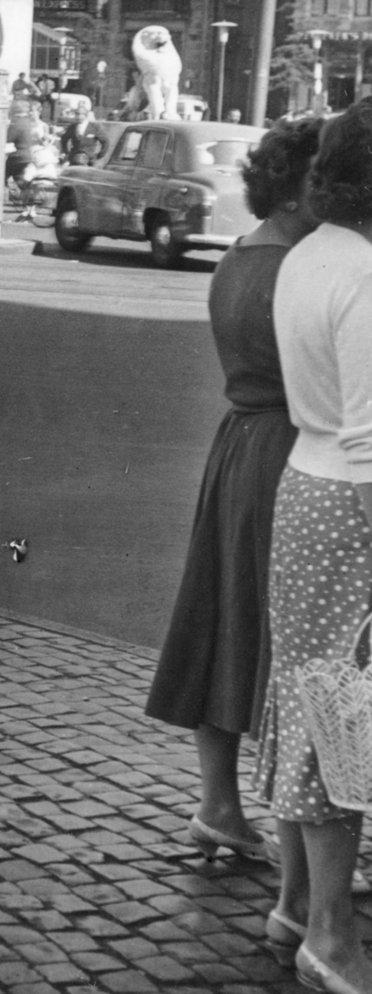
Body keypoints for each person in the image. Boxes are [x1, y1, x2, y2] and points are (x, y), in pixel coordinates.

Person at [144, 121, 322, 867]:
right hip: (291, 448)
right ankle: (308, 854)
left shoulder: (238, 257)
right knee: (295, 641)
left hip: (238, 446)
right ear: (294, 187)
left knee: (219, 620)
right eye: (327, 179)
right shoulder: (304, 266)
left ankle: (218, 803)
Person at [257, 102, 372, 989]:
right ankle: (331, 938)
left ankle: (296, 902)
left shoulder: (307, 253)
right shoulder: (366, 270)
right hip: (352, 502)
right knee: (346, 717)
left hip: (303, 485)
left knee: (308, 698)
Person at [60, 101, 107, 166]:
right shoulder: (72, 127)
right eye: (76, 114)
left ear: (85, 115)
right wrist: (66, 152)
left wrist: (99, 156)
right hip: (74, 159)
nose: (78, 117)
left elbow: (105, 141)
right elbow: (64, 139)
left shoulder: (94, 127)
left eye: (80, 114)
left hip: (89, 160)